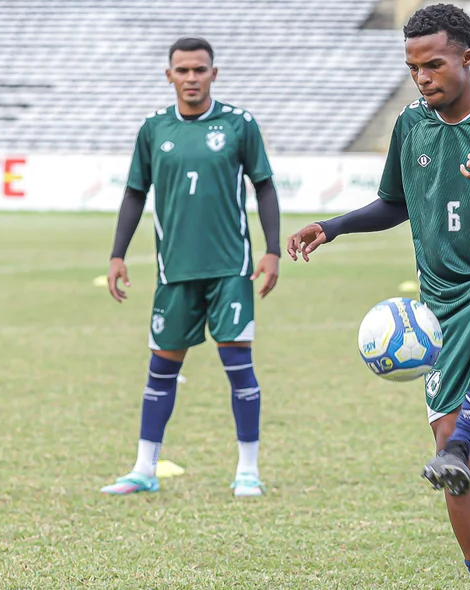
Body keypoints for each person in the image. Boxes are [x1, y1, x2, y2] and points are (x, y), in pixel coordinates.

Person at [285, 5, 470, 588]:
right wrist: (334, 226)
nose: (422, 78)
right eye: (414, 67)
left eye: (434, 65)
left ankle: (469, 429)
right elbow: (396, 202)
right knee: (454, 468)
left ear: (467, 58)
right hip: (441, 301)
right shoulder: (412, 124)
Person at [99, 37, 282, 498]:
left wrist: (272, 250)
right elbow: (134, 194)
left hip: (229, 269)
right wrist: (117, 254)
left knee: (239, 366)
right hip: (174, 272)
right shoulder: (154, 128)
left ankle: (248, 471)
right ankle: (143, 469)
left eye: (200, 70)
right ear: (170, 76)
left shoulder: (239, 124)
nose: (191, 78)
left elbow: (264, 187)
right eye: (182, 71)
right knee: (160, 369)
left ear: (213, 74)